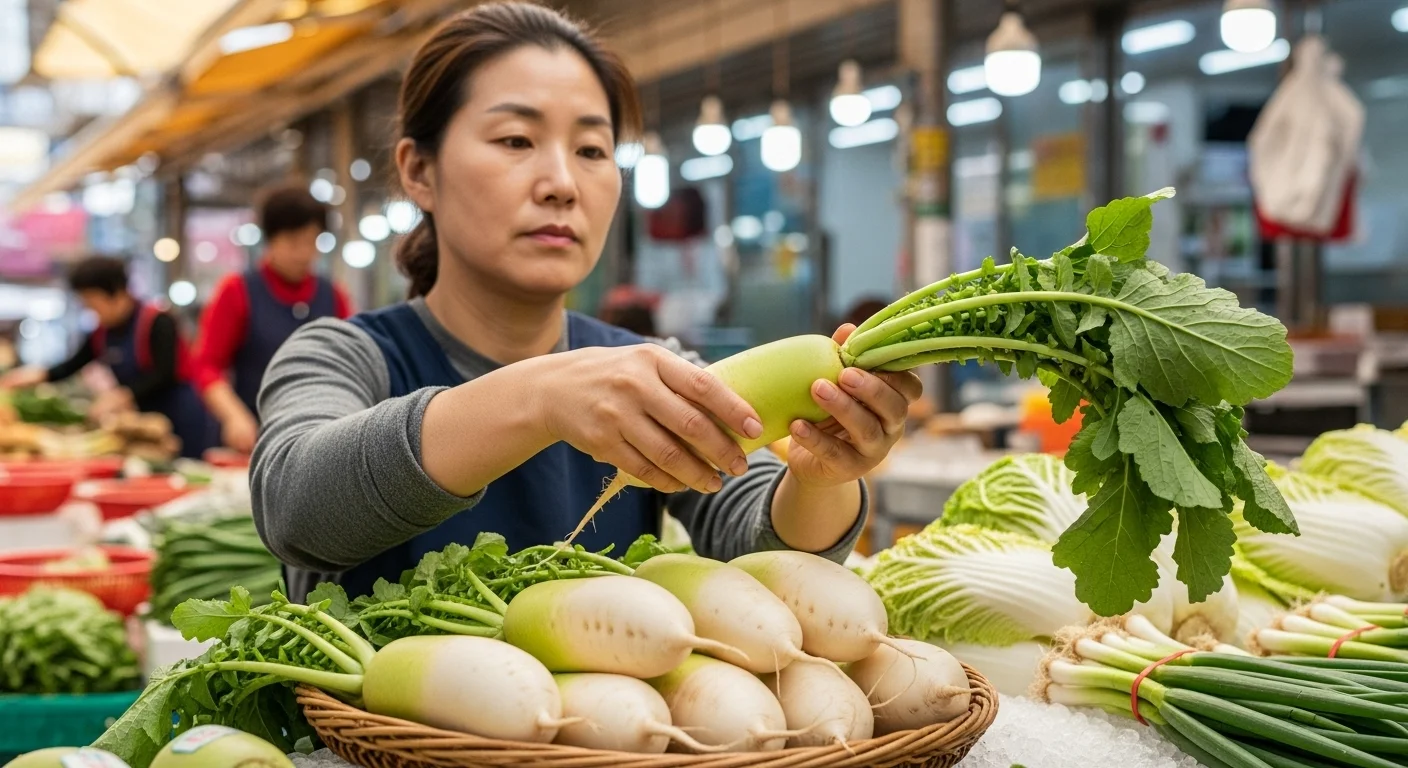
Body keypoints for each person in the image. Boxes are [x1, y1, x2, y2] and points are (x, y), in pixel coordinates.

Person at [249, 1, 922, 603]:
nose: (562, 184)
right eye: (516, 140)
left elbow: (759, 554)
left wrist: (820, 478)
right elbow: (295, 508)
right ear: (420, 171)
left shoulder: (646, 367)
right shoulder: (344, 354)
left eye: (593, 149)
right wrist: (542, 397)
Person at [0, 255, 220, 458]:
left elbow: (165, 373)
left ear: (116, 292)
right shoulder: (101, 332)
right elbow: (71, 365)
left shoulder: (158, 321)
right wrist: (33, 377)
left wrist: (120, 396)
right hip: (144, 421)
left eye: (92, 302)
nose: (90, 309)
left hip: (182, 416)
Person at [190, 184, 354, 453]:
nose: (304, 253)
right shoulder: (236, 291)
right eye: (293, 242)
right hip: (253, 440)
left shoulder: (334, 295)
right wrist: (234, 416)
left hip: (320, 440)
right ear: (270, 239)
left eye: (312, 241)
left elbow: (350, 363)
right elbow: (207, 366)